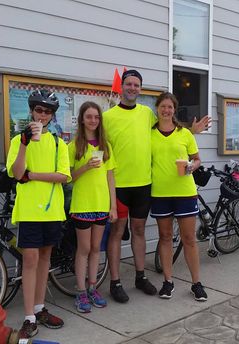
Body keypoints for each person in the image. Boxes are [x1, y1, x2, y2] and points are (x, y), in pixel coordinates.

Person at [103, 69, 210, 303]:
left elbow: (172, 131)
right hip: (124, 185)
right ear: (122, 86)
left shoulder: (146, 114)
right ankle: (117, 281)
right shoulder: (109, 116)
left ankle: (144, 277)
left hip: (148, 186)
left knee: (149, 233)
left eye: (136, 85)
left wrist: (192, 131)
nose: (132, 88)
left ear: (140, 89)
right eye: (128, 84)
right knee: (120, 233)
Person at [6, 89, 70, 339]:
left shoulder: (57, 142)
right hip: (30, 210)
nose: (42, 115)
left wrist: (31, 176)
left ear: (52, 116)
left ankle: (40, 308)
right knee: (30, 260)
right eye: (38, 110)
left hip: (52, 210)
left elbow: (63, 176)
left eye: (47, 112)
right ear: (31, 111)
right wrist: (23, 144)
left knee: (45, 259)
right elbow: (15, 173)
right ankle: (29, 316)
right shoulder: (17, 140)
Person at [150, 92, 207, 301]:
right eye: (163, 106)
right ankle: (168, 281)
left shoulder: (185, 134)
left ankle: (196, 283)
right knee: (165, 238)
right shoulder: (150, 134)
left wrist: (193, 166)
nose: (166, 110)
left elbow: (197, 159)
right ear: (157, 108)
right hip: (160, 193)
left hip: (184, 192)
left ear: (174, 110)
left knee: (189, 239)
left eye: (170, 107)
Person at [68, 101, 117, 313]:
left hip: (101, 204)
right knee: (84, 248)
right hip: (82, 204)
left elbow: (110, 177)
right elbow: (68, 178)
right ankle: (80, 291)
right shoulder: (74, 146)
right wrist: (86, 166)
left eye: (96, 117)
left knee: (97, 248)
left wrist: (113, 206)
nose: (93, 120)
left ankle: (92, 287)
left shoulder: (105, 146)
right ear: (82, 119)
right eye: (89, 117)